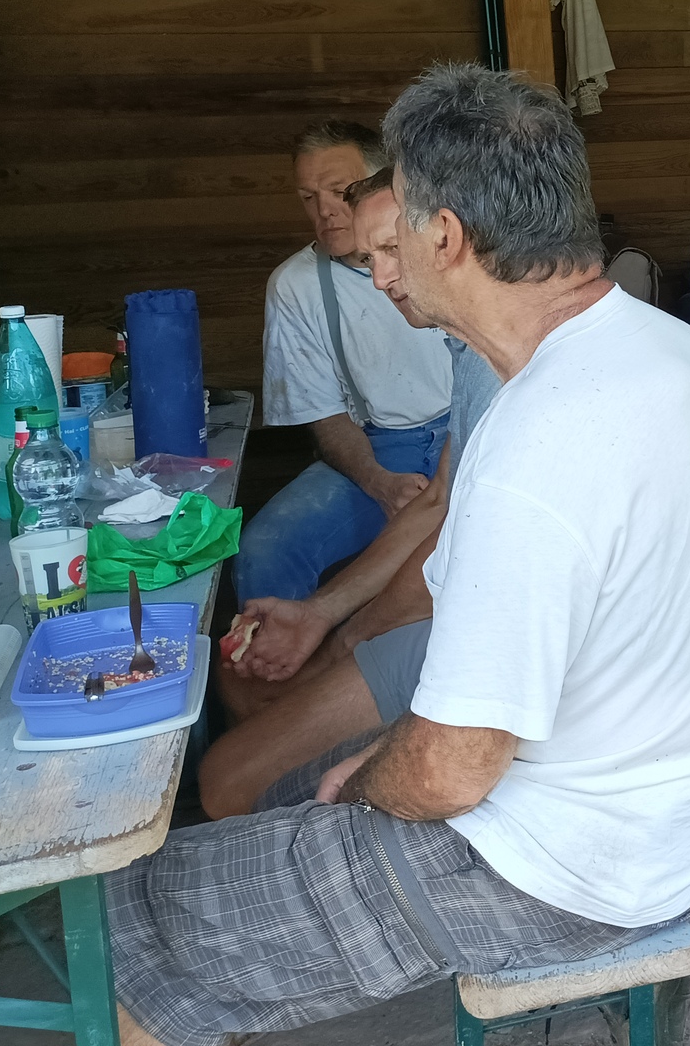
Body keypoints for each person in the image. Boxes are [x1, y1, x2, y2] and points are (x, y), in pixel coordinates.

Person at [109, 67, 690, 1046]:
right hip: (671, 815)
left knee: (130, 923)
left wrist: (368, 782)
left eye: (398, 228)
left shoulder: (537, 437)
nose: (377, 257)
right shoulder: (666, 349)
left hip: (562, 870)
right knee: (269, 792)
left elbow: (454, 769)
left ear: (447, 236)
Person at [199, 169, 502, 819]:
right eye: (368, 260)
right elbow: (437, 501)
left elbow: (456, 553)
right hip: (452, 603)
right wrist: (319, 613)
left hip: (484, 634)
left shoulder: (507, 362)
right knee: (236, 680)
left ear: (448, 235)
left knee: (225, 778)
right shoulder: (471, 352)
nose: (381, 278)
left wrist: (341, 641)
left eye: (392, 250)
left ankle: (319, 835)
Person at [238, 121, 454, 602]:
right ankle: (280, 647)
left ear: (382, 186)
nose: (324, 211)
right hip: (380, 447)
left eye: (339, 191)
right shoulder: (295, 286)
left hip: (466, 429)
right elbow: (325, 415)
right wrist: (379, 483)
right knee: (266, 550)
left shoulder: (445, 252)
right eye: (308, 197)